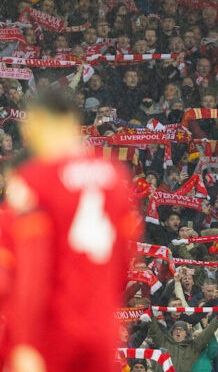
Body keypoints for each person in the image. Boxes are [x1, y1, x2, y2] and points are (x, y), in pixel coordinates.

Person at [5, 90, 142, 372]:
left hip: (55, 328)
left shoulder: (36, 179)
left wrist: (26, 342)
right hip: (101, 328)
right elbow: (124, 260)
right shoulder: (115, 176)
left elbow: (32, 270)